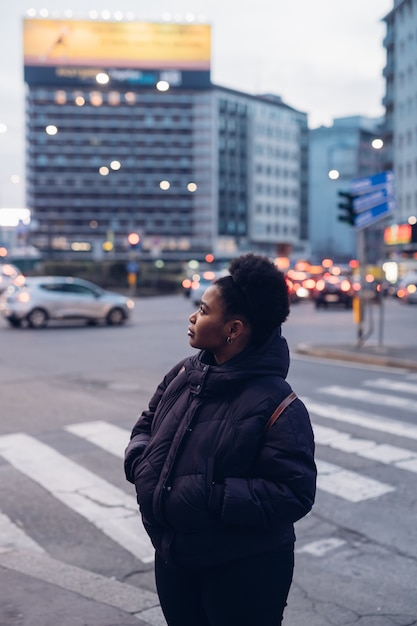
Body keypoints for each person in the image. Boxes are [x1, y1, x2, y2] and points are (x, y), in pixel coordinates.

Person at [124, 253, 316, 626]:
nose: (193, 317)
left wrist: (209, 495)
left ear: (234, 329)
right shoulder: (184, 373)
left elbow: (294, 493)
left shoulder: (279, 403)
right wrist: (142, 465)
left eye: (203, 309)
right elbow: (146, 425)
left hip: (242, 570)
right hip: (173, 558)